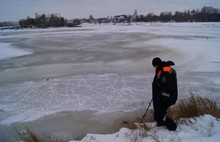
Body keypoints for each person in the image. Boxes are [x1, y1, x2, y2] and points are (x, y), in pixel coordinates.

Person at [152, 57, 178, 131]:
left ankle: (172, 126)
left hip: (166, 97)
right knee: (158, 114)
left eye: (154, 66)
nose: (154, 68)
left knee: (159, 114)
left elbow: (168, 87)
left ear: (156, 65)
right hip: (167, 96)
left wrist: (161, 97)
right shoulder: (164, 69)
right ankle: (161, 124)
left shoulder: (164, 71)